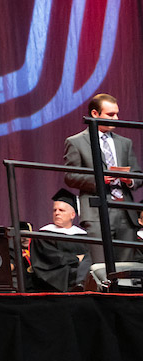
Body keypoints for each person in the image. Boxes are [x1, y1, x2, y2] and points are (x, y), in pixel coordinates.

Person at [63, 93, 139, 263]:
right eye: (110, 114)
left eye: (117, 114)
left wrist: (130, 179)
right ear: (95, 114)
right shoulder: (76, 142)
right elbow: (70, 176)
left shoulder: (124, 142)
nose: (116, 118)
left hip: (125, 211)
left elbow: (138, 174)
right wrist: (100, 179)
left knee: (127, 266)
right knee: (102, 266)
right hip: (97, 211)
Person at [31, 189, 90, 292]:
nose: (57, 213)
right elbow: (49, 258)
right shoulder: (44, 234)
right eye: (55, 210)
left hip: (81, 274)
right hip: (55, 277)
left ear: (72, 215)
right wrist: (76, 259)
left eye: (61, 210)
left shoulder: (83, 236)